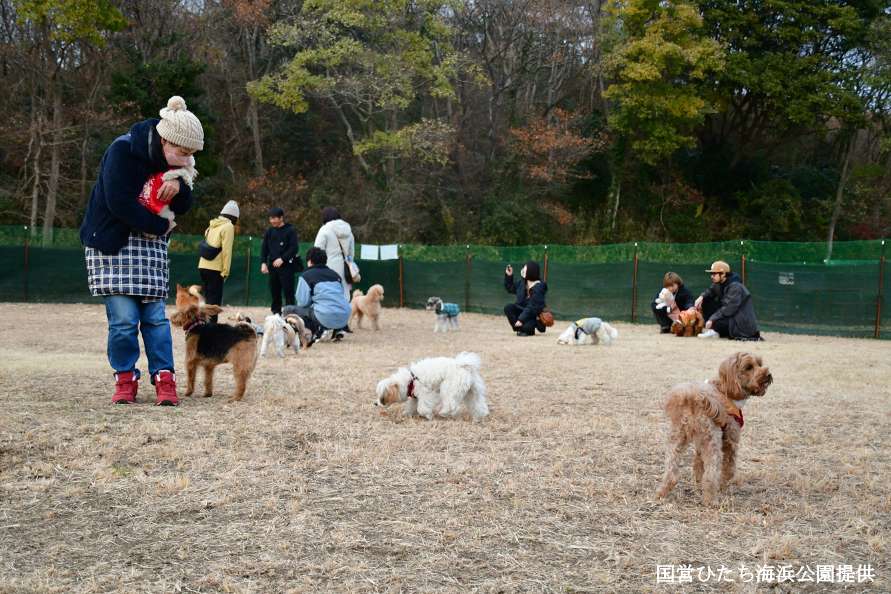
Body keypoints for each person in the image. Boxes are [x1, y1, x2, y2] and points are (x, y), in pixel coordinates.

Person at [79, 95, 203, 406]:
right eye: (183, 152)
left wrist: (179, 185)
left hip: (150, 248)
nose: (187, 158)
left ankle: (164, 377)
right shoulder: (123, 150)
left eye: (192, 154)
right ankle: (125, 377)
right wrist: (159, 227)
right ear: (164, 141)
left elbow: (185, 204)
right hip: (113, 242)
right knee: (123, 319)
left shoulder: (179, 165)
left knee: (155, 319)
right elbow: (117, 201)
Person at [283, 247, 351, 342]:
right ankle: (335, 329)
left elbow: (302, 303)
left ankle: (320, 330)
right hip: (344, 316)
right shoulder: (336, 275)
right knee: (320, 309)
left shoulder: (306, 275)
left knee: (288, 309)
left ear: (310, 261)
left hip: (325, 315)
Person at [695, 260, 762, 340]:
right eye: (711, 274)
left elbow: (729, 308)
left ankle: (715, 331)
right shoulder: (720, 283)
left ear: (723, 274)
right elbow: (710, 290)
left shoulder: (735, 287)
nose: (711, 276)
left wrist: (712, 319)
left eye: (714, 274)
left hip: (741, 323)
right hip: (732, 318)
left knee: (717, 322)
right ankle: (715, 330)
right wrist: (701, 297)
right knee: (705, 301)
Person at [197, 200, 239, 322]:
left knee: (206, 300)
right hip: (215, 268)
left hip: (203, 266)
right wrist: (225, 271)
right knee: (214, 303)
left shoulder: (212, 224)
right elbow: (227, 251)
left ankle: (203, 326)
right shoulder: (228, 226)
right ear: (234, 216)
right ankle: (212, 330)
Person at [260, 207, 301, 315]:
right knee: (275, 292)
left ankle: (290, 315)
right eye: (270, 218)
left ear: (281, 218)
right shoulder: (270, 231)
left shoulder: (290, 230)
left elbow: (294, 248)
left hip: (287, 267)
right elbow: (264, 248)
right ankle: (276, 314)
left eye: (274, 218)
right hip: (273, 267)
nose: (272, 221)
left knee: (288, 292)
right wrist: (263, 262)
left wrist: (282, 259)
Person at [314, 206, 355, 300]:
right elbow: (351, 253)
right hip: (345, 269)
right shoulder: (349, 231)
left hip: (327, 268)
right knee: (345, 296)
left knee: (329, 296)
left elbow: (317, 251)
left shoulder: (324, 229)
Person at [503, 261, 548, 336]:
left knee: (528, 327)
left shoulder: (539, 287)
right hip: (521, 310)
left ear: (531, 271)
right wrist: (509, 276)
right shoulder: (522, 282)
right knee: (508, 307)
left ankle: (526, 328)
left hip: (533, 315)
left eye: (525, 268)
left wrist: (521, 319)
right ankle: (521, 329)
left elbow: (532, 307)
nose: (523, 270)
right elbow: (510, 288)